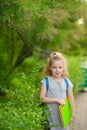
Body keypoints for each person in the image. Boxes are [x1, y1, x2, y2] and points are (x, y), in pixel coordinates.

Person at [40, 52, 75, 130]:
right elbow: (41, 98)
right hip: (50, 117)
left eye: (60, 67)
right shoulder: (46, 82)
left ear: (63, 68)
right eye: (54, 67)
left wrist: (72, 114)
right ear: (49, 67)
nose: (57, 70)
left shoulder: (67, 82)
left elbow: (71, 99)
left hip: (63, 116)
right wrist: (57, 100)